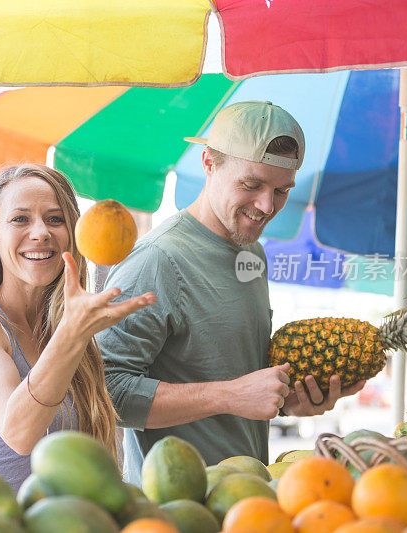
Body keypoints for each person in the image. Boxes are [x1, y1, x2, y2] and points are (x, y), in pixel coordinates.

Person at [98, 101, 365, 484]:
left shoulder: (252, 254)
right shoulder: (157, 261)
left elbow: (236, 381)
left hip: (247, 503)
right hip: (178, 511)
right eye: (252, 184)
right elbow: (104, 391)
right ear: (209, 163)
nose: (267, 206)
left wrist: (287, 403)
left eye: (281, 190)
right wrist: (227, 395)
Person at [0, 164, 155, 491]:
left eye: (55, 219)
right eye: (20, 219)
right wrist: (73, 333)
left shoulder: (65, 331)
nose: (41, 232)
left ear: (73, 236)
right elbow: (19, 434)